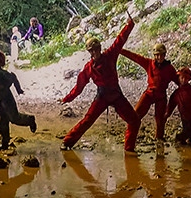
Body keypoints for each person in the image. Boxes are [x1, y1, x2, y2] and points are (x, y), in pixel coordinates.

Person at [60, 15, 140, 154]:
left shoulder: (110, 55)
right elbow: (79, 87)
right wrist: (67, 99)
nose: (94, 52)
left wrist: (130, 25)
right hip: (102, 96)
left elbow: (120, 40)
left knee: (134, 121)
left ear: (100, 48)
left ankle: (129, 149)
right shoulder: (88, 68)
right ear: (89, 52)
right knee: (88, 120)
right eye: (91, 50)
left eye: (96, 49)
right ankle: (67, 141)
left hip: (116, 94)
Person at [121, 42, 179, 141]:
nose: (159, 57)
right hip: (150, 93)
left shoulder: (169, 68)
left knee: (160, 120)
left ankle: (159, 139)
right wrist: (120, 50)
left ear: (164, 55)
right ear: (154, 56)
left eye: (161, 55)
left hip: (161, 96)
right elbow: (135, 57)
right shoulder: (149, 63)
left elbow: (179, 81)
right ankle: (130, 136)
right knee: (135, 115)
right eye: (157, 55)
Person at [165, 67, 191, 145]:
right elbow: (171, 105)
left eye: (186, 78)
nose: (184, 80)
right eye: (182, 78)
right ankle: (179, 139)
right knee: (187, 130)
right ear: (178, 79)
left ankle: (187, 143)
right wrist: (167, 114)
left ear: (189, 79)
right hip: (184, 116)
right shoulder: (176, 94)